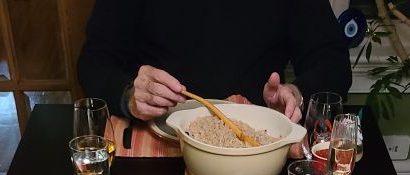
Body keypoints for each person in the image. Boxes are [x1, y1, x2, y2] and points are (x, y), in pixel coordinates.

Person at [77, 0, 352, 125]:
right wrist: (129, 96)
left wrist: (297, 94)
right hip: (160, 141)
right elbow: (95, 62)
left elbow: (332, 61)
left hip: (256, 143)